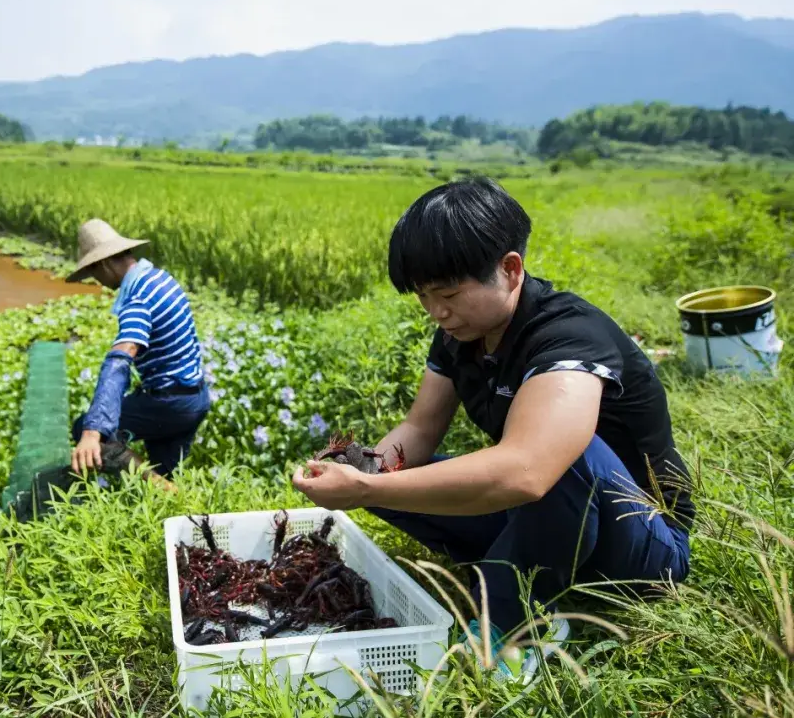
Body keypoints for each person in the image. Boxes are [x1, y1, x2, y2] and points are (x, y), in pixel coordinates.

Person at [291, 177, 693, 685]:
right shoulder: (461, 334)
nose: (436, 312)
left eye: (449, 293)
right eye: (423, 296)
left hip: (642, 548)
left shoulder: (569, 337)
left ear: (509, 269)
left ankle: (512, 624)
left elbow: (528, 472)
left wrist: (369, 485)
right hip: (558, 516)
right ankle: (524, 566)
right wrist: (358, 472)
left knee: (567, 456)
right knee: (386, 471)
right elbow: (418, 429)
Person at [66, 218, 210, 479]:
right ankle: (167, 491)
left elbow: (122, 354)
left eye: (93, 272)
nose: (96, 280)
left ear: (105, 263)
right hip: (195, 398)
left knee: (88, 431)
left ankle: (167, 492)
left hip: (170, 403)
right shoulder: (158, 278)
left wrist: (92, 431)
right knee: (164, 471)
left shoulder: (137, 299)